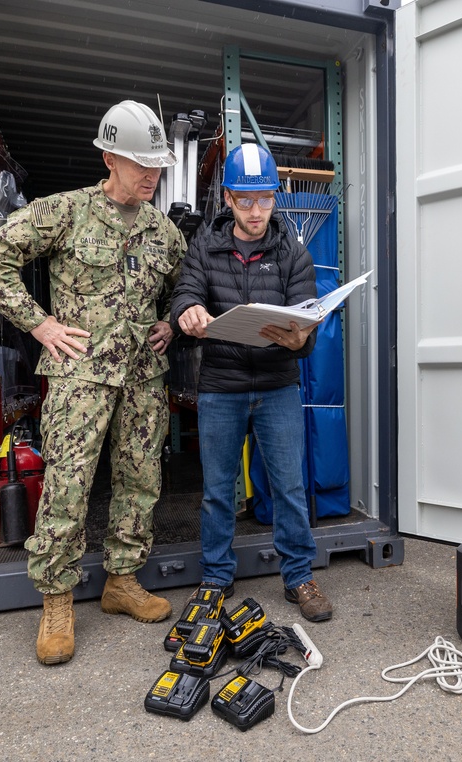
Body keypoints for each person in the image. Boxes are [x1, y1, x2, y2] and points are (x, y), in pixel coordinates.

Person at [0, 100, 186, 665]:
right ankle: (58, 598)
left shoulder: (164, 233)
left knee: (140, 483)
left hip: (143, 379)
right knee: (68, 485)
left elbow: (188, 291)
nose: (152, 175)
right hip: (80, 378)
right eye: (141, 163)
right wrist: (39, 323)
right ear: (110, 157)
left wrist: (171, 323)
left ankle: (121, 581)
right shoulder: (64, 212)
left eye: (157, 164)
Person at [170, 143, 332, 622]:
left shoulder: (292, 253)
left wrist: (300, 336)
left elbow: (307, 323)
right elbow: (185, 292)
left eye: (265, 199)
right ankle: (216, 579)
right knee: (218, 489)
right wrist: (188, 312)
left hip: (278, 386)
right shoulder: (204, 245)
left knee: (287, 487)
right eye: (246, 199)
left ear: (274, 198)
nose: (256, 211)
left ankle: (299, 576)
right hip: (220, 386)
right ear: (227, 198)